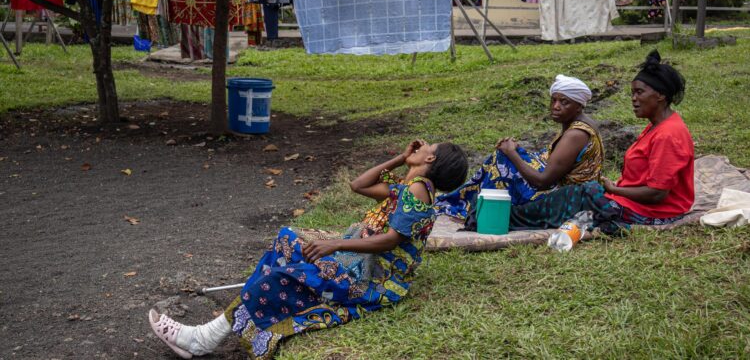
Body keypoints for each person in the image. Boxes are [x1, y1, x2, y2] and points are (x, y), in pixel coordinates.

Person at [148, 140, 469, 359]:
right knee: (286, 244)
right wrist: (400, 158)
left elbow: (391, 240)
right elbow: (358, 185)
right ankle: (206, 337)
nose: (422, 144)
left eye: (429, 146)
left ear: (430, 159)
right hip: (357, 263)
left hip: (374, 281)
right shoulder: (407, 187)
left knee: (286, 273)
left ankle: (203, 339)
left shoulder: (418, 190)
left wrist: (336, 243)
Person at [510, 50, 693, 234]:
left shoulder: (668, 134)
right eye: (632, 93)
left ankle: (508, 217)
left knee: (574, 198)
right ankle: (513, 214)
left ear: (661, 95)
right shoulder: (656, 127)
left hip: (654, 212)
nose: (633, 99)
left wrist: (615, 190)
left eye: (639, 92)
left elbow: (657, 194)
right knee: (577, 194)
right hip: (634, 203)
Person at [435, 74, 604, 225]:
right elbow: (554, 161)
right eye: (554, 100)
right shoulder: (578, 125)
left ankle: (473, 207)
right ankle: (469, 202)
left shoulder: (575, 134)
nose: (556, 106)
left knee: (501, 160)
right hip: (568, 191)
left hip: (566, 199)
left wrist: (512, 153)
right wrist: (518, 152)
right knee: (504, 159)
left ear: (579, 106)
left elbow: (541, 181)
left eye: (564, 102)